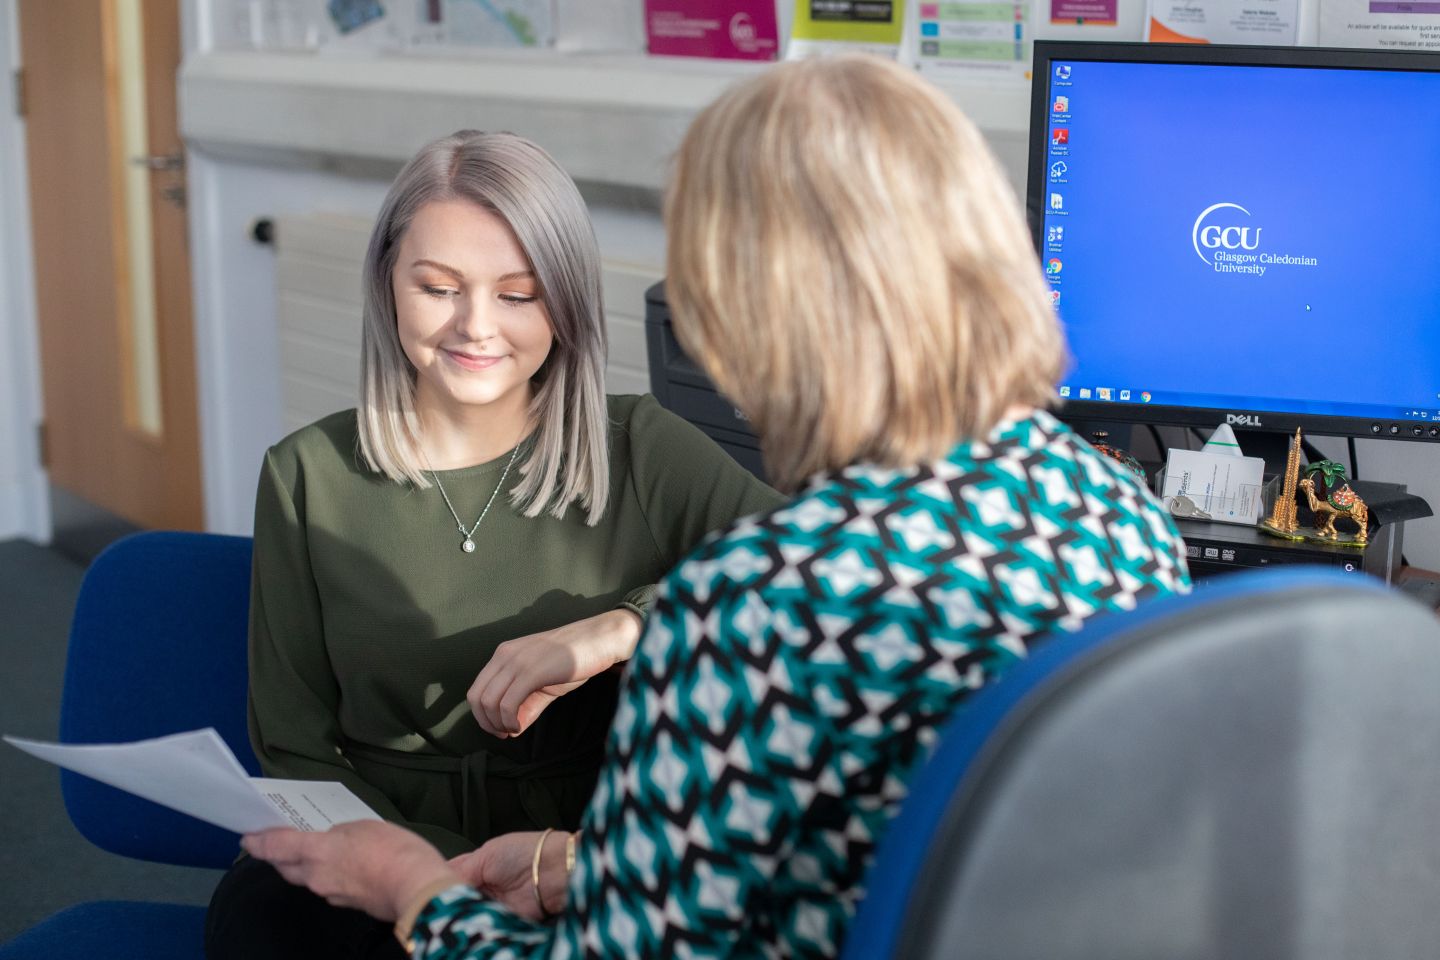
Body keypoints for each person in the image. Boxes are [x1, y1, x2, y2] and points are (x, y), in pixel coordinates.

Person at [241, 55, 1191, 958]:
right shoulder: (1113, 509)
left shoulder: (754, 604)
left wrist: (415, 887)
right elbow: (880, 834)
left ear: (748, 321)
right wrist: (576, 861)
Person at [204, 130, 783, 959]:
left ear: (567, 303)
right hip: (377, 852)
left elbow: (813, 579)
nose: (476, 327)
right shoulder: (305, 474)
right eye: (439, 287)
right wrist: (421, 872)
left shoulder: (644, 448)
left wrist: (622, 625)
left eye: (519, 295)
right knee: (265, 917)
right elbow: (293, 746)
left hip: (576, 860)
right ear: (388, 287)